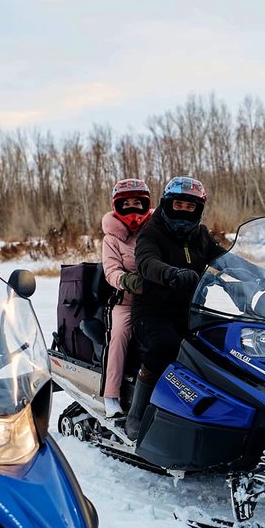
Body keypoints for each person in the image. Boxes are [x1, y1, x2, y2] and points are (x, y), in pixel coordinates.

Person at [126, 176, 225, 439]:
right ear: (167, 204)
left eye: (189, 206)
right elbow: (146, 261)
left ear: (198, 209)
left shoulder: (201, 236)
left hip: (190, 310)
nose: (183, 210)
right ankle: (136, 414)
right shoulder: (152, 231)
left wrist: (260, 275)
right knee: (165, 346)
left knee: (224, 345)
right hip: (152, 311)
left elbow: (225, 260)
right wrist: (170, 273)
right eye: (178, 205)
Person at [100, 178, 151, 417]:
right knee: (120, 334)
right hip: (126, 302)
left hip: (157, 300)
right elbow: (111, 271)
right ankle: (111, 396)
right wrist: (128, 281)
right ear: (117, 207)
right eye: (126, 204)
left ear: (145, 204)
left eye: (137, 203)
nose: (132, 209)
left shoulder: (155, 231)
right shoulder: (112, 238)